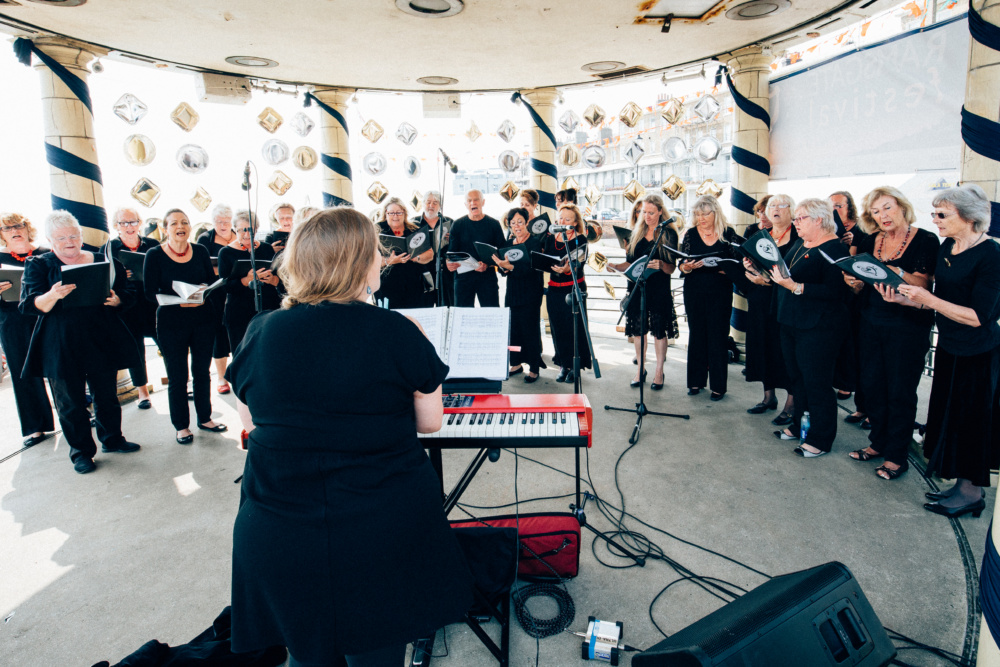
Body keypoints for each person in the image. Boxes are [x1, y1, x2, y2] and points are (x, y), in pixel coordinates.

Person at [226, 207, 474, 666]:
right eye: (376, 252)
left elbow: (251, 420)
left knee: (306, 655)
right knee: (375, 655)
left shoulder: (260, 331)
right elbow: (430, 421)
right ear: (358, 263)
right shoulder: (398, 330)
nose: (381, 259)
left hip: (280, 531)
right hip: (377, 531)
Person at [881, 186, 1000, 517]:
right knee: (951, 417)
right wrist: (906, 299)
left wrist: (927, 300)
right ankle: (961, 486)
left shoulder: (991, 255)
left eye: (942, 215)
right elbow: (936, 297)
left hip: (978, 353)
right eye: (934, 213)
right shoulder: (949, 245)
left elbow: (979, 316)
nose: (935, 220)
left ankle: (972, 492)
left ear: (969, 217)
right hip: (949, 345)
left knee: (972, 422)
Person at [20, 211, 141, 474]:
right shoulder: (39, 265)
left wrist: (118, 300)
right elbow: (29, 305)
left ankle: (112, 439)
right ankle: (81, 453)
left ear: (81, 235)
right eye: (62, 237)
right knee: (71, 402)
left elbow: (127, 293)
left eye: (74, 235)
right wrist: (51, 295)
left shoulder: (102, 261)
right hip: (60, 343)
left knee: (107, 396)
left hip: (101, 338)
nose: (69, 241)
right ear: (51, 240)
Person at [846, 187, 938, 479]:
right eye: (875, 211)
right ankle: (878, 444)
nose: (882, 216)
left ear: (901, 206)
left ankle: (897, 455)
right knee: (872, 386)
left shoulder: (925, 239)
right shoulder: (873, 239)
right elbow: (865, 281)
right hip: (872, 320)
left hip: (907, 325)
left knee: (900, 391)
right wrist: (854, 281)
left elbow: (923, 285)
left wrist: (895, 272)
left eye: (886, 208)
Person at [765, 199, 850, 457]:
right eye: (797, 218)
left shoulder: (835, 249)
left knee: (817, 383)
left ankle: (821, 439)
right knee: (797, 378)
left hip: (819, 327)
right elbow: (786, 271)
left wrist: (796, 287)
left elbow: (837, 292)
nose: (795, 222)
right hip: (791, 321)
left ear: (819, 220)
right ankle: (798, 423)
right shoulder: (802, 243)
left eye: (801, 218)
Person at [143, 208, 227, 444]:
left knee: (202, 372)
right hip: (172, 322)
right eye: (174, 223)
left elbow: (211, 282)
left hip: (202, 320)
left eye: (185, 222)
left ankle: (205, 418)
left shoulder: (199, 251)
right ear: (165, 228)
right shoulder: (154, 254)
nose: (180, 227)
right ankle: (181, 426)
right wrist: (180, 299)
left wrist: (203, 291)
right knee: (178, 376)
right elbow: (149, 293)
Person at [609, 194, 678, 390]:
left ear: (660, 212)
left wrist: (661, 263)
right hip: (637, 287)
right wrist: (615, 266)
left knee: (658, 331)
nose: (646, 216)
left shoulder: (669, 234)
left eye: (651, 212)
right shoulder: (636, 233)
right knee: (638, 331)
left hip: (659, 287)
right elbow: (630, 263)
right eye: (643, 212)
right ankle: (640, 369)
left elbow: (672, 268)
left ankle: (658, 371)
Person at [678, 195, 741, 400]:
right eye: (697, 214)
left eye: (706, 213)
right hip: (694, 290)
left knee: (718, 336)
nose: (701, 218)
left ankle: (718, 386)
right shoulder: (690, 234)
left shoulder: (727, 233)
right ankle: (695, 382)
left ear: (716, 213)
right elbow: (681, 264)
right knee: (697, 334)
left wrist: (727, 268)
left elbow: (739, 262)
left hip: (720, 291)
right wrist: (686, 267)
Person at [0, 213, 54, 447]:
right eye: (7, 227)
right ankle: (36, 427)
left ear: (27, 227)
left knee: (58, 366)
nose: (14, 230)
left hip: (46, 316)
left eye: (18, 225)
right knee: (23, 374)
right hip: (12, 320)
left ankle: (77, 412)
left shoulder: (46, 253)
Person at [743, 195, 797, 422]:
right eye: (771, 206)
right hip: (761, 300)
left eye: (780, 206)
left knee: (786, 352)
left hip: (786, 301)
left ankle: (791, 404)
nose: (774, 210)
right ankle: (768, 397)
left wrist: (770, 280)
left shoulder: (798, 236)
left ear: (791, 211)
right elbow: (748, 266)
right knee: (762, 346)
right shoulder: (760, 235)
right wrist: (750, 270)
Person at [108, 207, 159, 409]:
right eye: (123, 223)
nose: (129, 226)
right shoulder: (109, 247)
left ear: (139, 223)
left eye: (132, 222)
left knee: (167, 342)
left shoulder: (153, 244)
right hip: (127, 304)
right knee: (136, 349)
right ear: (116, 226)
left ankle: (179, 383)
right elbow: (105, 276)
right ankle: (143, 392)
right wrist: (121, 275)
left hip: (152, 301)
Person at [493, 207, 545, 382]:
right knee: (513, 330)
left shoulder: (535, 242)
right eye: (513, 222)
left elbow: (533, 269)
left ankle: (534, 368)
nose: (516, 226)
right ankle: (515, 363)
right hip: (513, 293)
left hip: (531, 293)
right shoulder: (507, 244)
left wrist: (512, 267)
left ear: (526, 223)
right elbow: (503, 271)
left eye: (520, 222)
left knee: (530, 330)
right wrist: (502, 267)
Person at [217, 211, 281, 351]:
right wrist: (246, 280)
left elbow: (279, 277)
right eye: (242, 230)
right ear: (234, 229)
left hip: (268, 308)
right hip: (239, 312)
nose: (247, 234)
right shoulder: (226, 253)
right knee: (242, 353)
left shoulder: (266, 248)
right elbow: (225, 286)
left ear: (256, 229)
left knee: (269, 351)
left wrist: (272, 279)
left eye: (251, 230)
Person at [546, 204, 591, 383]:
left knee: (575, 328)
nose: (562, 221)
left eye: (567, 219)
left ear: (575, 222)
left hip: (574, 288)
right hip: (554, 289)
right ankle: (563, 365)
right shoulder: (550, 237)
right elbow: (546, 259)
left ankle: (576, 366)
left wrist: (568, 268)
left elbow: (581, 264)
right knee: (557, 328)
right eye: (560, 218)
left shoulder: (581, 239)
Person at [197, 204, 235, 394]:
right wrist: (224, 269)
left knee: (238, 332)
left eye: (226, 221)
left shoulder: (239, 235)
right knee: (219, 335)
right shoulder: (205, 239)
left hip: (237, 291)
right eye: (219, 221)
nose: (223, 225)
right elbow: (201, 267)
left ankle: (238, 373)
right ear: (213, 222)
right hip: (216, 293)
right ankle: (221, 377)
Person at [446, 189, 505, 307]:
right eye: (469, 200)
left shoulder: (494, 224)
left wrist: (488, 265)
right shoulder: (457, 224)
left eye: (476, 199)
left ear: (483, 202)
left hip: (487, 277)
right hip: (463, 279)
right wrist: (449, 263)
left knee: (491, 314)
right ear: (465, 205)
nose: (473, 203)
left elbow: (501, 253)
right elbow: (451, 253)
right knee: (462, 317)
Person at [375, 197, 434, 310]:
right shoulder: (377, 231)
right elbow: (370, 260)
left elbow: (430, 255)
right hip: (388, 286)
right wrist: (389, 261)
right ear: (385, 214)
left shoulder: (415, 229)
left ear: (404, 214)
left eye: (399, 213)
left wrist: (416, 257)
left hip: (415, 285)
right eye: (391, 213)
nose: (395, 216)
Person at [413, 191, 454, 307]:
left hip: (445, 272)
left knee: (447, 307)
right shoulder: (414, 223)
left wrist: (452, 239)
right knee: (424, 307)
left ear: (440, 206)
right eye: (428, 202)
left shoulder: (449, 222)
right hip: (421, 272)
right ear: (423, 204)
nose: (431, 205)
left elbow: (457, 247)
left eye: (435, 203)